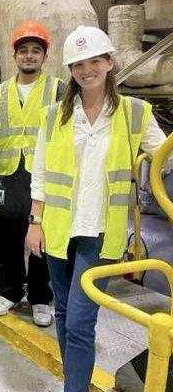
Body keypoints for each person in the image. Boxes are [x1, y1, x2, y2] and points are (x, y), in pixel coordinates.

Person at [26, 25, 169, 392]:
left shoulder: (134, 113)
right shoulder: (53, 115)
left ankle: (74, 388)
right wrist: (35, 222)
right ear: (70, 70)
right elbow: (40, 173)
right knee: (62, 311)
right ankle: (74, 379)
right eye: (77, 64)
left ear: (109, 62)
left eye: (94, 61)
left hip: (101, 235)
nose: (86, 70)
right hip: (58, 231)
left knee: (78, 318)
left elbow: (164, 157)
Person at [0, 21, 65, 326]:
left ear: (44, 57)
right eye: (24, 51)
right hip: (7, 175)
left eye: (36, 51)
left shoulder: (58, 89)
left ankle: (40, 298)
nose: (30, 56)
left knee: (40, 240)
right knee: (6, 236)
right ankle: (9, 291)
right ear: (15, 55)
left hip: (42, 175)